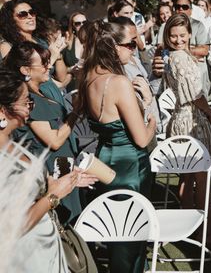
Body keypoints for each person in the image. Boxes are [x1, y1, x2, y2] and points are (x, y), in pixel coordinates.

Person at [76, 20, 157, 273]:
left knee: (116, 236)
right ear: (112, 46)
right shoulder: (119, 83)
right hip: (131, 166)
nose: (135, 49)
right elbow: (142, 138)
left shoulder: (88, 77)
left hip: (105, 161)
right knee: (131, 237)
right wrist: (150, 110)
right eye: (130, 44)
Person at [0, 68, 97, 273]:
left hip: (44, 244)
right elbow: (12, 226)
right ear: (2, 111)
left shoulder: (12, 143)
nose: (31, 107)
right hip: (25, 255)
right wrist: (54, 195)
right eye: (26, 102)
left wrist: (64, 182)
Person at [4, 41, 82, 224]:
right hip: (49, 175)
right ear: (26, 70)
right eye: (44, 63)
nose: (49, 66)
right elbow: (53, 140)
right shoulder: (30, 101)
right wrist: (76, 112)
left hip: (62, 169)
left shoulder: (39, 93)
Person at [162, 14, 211, 244]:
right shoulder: (179, 58)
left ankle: (188, 229)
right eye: (173, 36)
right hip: (190, 119)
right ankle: (206, 232)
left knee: (186, 177)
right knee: (202, 180)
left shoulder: (177, 56)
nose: (178, 40)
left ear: (189, 35)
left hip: (181, 117)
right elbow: (194, 95)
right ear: (167, 35)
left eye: (182, 35)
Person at [0, 0, 68, 105]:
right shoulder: (7, 46)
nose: (30, 16)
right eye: (23, 14)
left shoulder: (41, 41)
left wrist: (58, 54)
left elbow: (61, 77)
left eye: (31, 12)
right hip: (35, 100)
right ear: (11, 21)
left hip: (55, 94)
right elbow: (15, 80)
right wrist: (52, 56)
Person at [154, 0, 211, 96]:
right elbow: (162, 50)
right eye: (178, 6)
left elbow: (204, 50)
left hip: (197, 75)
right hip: (174, 76)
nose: (181, 9)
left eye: (184, 7)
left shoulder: (198, 25)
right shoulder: (166, 26)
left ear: (191, 9)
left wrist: (177, 51)